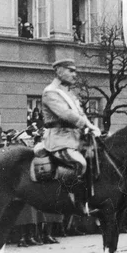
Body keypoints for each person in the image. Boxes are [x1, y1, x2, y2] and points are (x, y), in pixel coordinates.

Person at [40, 59, 101, 214]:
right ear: (59, 71)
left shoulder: (69, 94)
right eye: (71, 71)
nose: (75, 75)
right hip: (59, 138)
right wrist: (86, 125)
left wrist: (93, 127)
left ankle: (92, 198)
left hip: (76, 138)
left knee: (97, 158)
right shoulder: (50, 92)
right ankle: (74, 203)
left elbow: (81, 114)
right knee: (80, 163)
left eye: (75, 71)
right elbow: (66, 114)